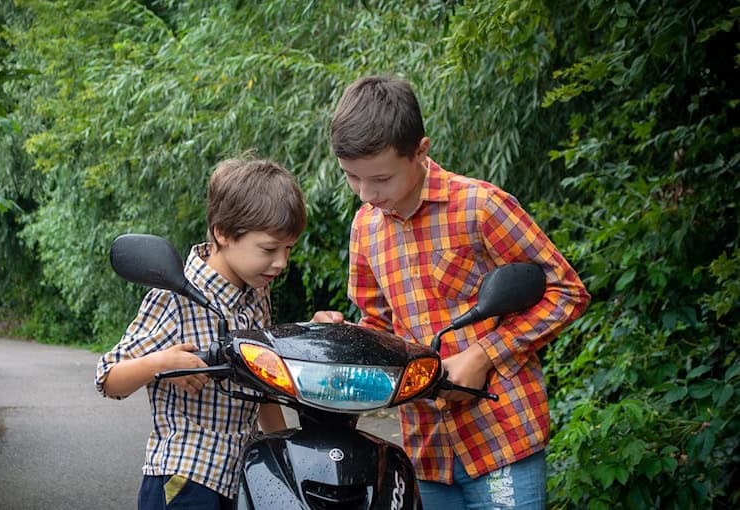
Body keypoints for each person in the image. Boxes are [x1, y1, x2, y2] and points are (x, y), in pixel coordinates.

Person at [321, 75, 591, 509]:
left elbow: (565, 292)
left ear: (421, 151)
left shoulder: (480, 207)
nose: (367, 194)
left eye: (382, 179)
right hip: (422, 451)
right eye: (352, 177)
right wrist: (342, 336)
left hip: (502, 439)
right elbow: (379, 327)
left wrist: (484, 355)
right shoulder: (364, 230)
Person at [95, 156, 306, 510]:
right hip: (186, 477)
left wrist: (283, 458)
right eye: (269, 249)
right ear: (223, 232)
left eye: (288, 249)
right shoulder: (175, 296)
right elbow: (108, 377)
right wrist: (162, 363)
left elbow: (261, 384)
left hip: (241, 477)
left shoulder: (255, 294)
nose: (281, 262)